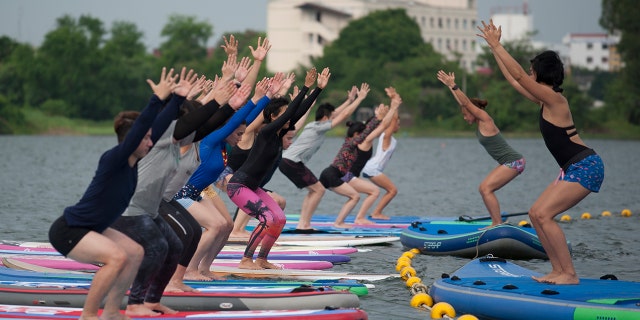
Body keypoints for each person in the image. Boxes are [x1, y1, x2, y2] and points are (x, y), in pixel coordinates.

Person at [477, 19, 604, 284]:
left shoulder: (555, 99)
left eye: (532, 69)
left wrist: (498, 45)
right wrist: (493, 49)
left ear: (539, 73)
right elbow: (515, 80)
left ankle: (569, 273)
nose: (528, 72)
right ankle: (558, 271)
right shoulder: (544, 98)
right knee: (536, 214)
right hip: (574, 167)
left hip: (586, 165)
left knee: (544, 215)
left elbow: (520, 76)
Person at [47, 67, 177, 320]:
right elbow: (142, 129)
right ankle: (88, 315)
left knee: (135, 252)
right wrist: (157, 100)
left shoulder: (133, 162)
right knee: (116, 257)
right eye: (146, 139)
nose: (151, 143)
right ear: (132, 139)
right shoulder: (114, 159)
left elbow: (157, 128)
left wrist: (178, 100)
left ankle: (112, 313)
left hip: (93, 228)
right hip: (70, 230)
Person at [227, 67, 330, 270]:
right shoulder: (266, 132)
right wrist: (305, 87)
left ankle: (262, 259)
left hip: (253, 187)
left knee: (279, 219)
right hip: (238, 186)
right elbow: (291, 113)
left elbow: (296, 113)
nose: (288, 118)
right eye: (282, 115)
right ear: (274, 117)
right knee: (267, 219)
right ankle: (246, 260)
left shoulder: (277, 135)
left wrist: (317, 89)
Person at [436, 69, 526, 228]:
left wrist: (454, 85)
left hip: (514, 161)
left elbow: (465, 103)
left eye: (466, 115)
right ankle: (496, 221)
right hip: (508, 162)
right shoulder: (478, 122)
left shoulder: (485, 119)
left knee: (485, 189)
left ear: (473, 111)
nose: (465, 118)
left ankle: (497, 223)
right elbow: (462, 103)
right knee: (484, 188)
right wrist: (450, 87)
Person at [278, 83, 370, 231]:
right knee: (319, 190)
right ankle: (304, 225)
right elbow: (343, 115)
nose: (335, 118)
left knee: (314, 190)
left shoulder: (314, 124)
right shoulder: (319, 127)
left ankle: (303, 223)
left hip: (288, 161)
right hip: (291, 162)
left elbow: (335, 113)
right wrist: (359, 100)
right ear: (325, 118)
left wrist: (349, 101)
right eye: (331, 117)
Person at [319, 87, 401, 228]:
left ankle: (349, 219)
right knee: (374, 191)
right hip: (348, 176)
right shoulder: (365, 141)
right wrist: (393, 108)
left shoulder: (361, 140)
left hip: (347, 175)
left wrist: (392, 108)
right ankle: (360, 218)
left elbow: (383, 126)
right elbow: (383, 127)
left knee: (365, 192)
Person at [360, 111, 400, 220]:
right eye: (398, 124)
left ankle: (376, 212)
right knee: (392, 190)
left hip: (373, 168)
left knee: (390, 191)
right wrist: (394, 105)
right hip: (373, 168)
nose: (398, 126)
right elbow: (392, 122)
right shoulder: (386, 136)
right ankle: (376, 213)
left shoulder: (392, 139)